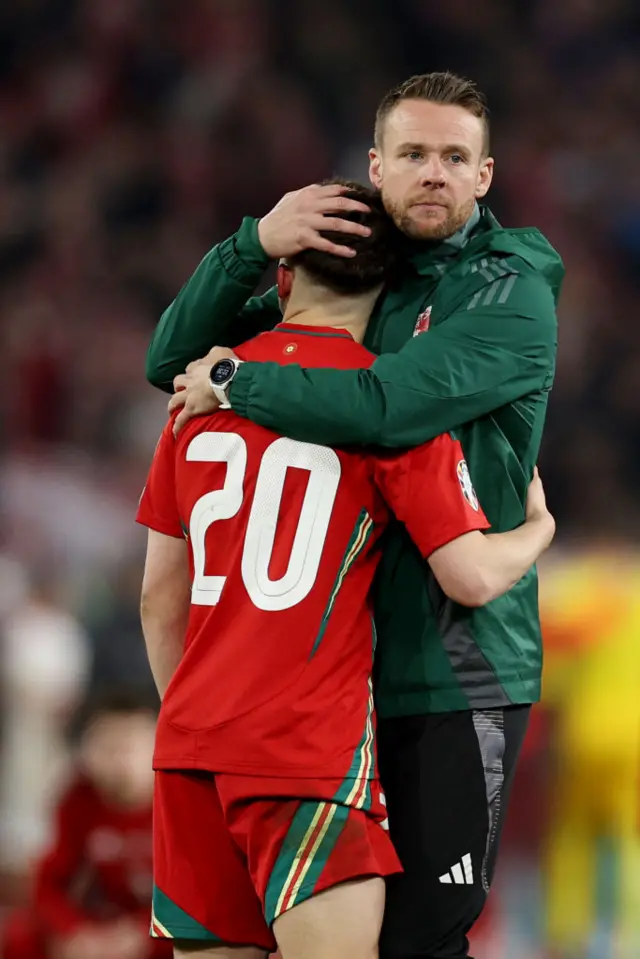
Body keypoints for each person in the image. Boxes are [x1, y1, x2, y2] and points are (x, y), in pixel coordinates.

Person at [144, 73, 564, 959]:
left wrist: (233, 382)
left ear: (486, 176)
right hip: (339, 691)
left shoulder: (509, 292)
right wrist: (251, 241)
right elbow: (168, 358)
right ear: (378, 168)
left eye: (456, 157)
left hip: (457, 667)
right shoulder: (366, 285)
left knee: (423, 940)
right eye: (413, 154)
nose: (435, 174)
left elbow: (381, 405)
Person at [2, 689, 170, 959]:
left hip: (152, 928)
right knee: (20, 935)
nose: (120, 762)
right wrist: (73, 932)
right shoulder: (78, 797)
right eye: (107, 747)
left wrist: (139, 934)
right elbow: (50, 882)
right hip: (93, 924)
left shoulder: (178, 802)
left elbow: (196, 892)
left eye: (130, 746)